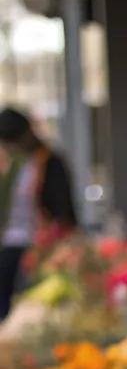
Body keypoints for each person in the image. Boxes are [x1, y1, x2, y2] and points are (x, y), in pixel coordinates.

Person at [0, 107, 76, 319]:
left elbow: (62, 210)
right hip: (10, 242)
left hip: (40, 245)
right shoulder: (13, 165)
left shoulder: (49, 162)